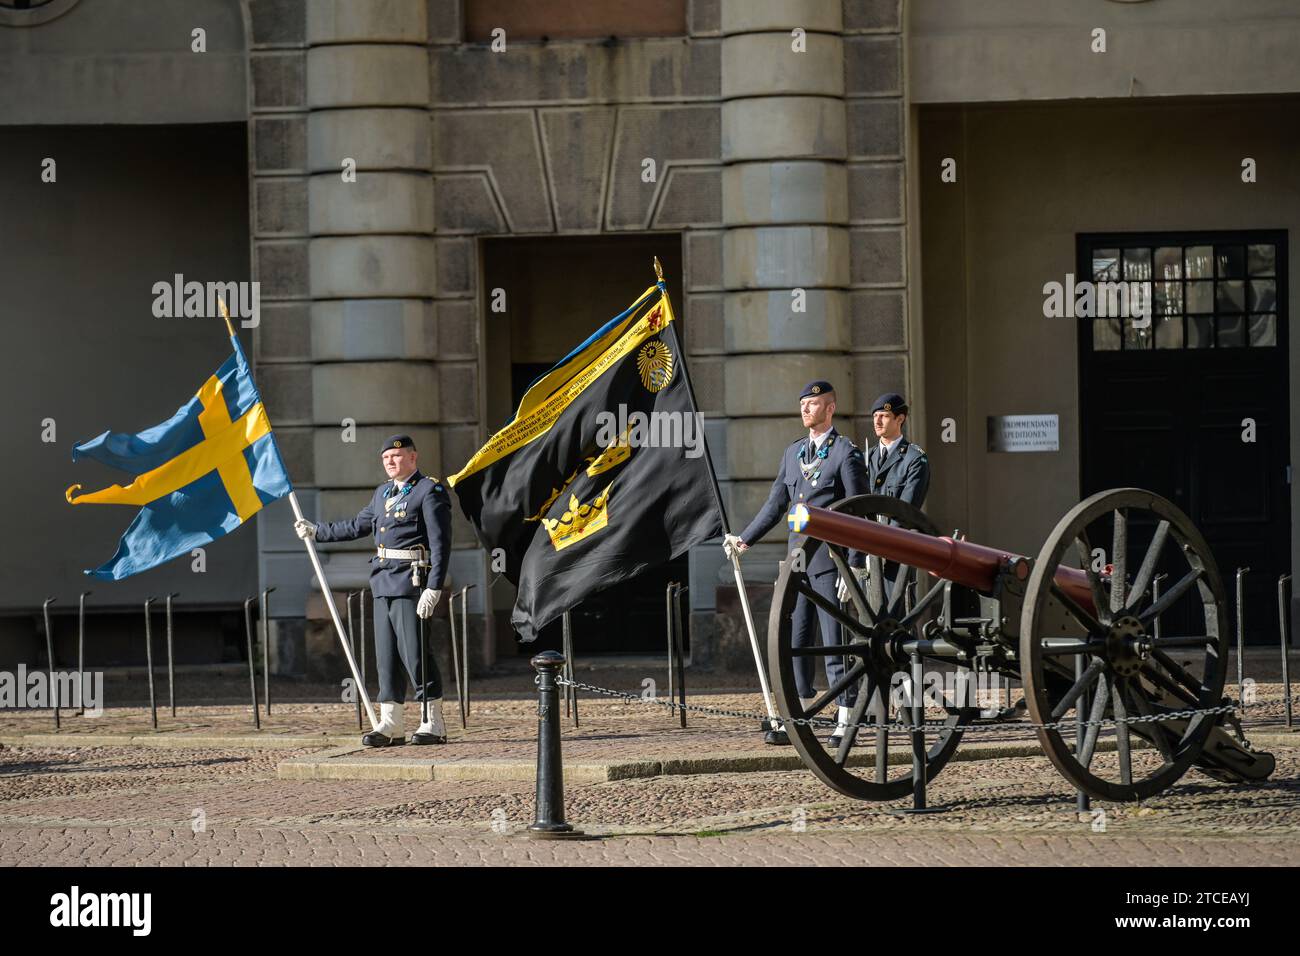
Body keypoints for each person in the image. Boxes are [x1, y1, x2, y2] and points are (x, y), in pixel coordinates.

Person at [723, 381, 869, 746]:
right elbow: (775, 505)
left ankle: (846, 717)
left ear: (830, 408)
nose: (806, 410)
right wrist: (744, 539)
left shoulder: (844, 454)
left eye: (814, 404)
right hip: (797, 564)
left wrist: (854, 564)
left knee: (834, 642)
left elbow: (859, 512)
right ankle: (801, 717)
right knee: (798, 641)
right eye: (803, 404)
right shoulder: (793, 454)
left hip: (830, 563)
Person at [294, 435, 452, 747]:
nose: (391, 462)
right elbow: (357, 526)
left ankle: (432, 722)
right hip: (383, 582)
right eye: (386, 458)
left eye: (396, 456)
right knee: (386, 657)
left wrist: (434, 587)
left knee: (416, 654)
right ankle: (391, 724)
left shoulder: (429, 491)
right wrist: (317, 532)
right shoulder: (382, 493)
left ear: (412, 456)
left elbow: (440, 544)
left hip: (412, 583)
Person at [866, 392, 929, 507]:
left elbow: (907, 510)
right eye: (875, 416)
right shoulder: (866, 456)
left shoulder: (914, 459)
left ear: (900, 419)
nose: (877, 422)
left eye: (884, 416)